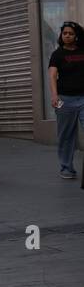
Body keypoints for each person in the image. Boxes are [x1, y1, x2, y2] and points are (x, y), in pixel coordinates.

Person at [48, 21, 84, 179]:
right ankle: (66, 168)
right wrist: (55, 95)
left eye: (70, 33)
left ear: (76, 36)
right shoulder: (57, 54)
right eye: (64, 33)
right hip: (65, 100)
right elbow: (52, 75)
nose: (67, 36)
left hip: (83, 98)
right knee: (66, 135)